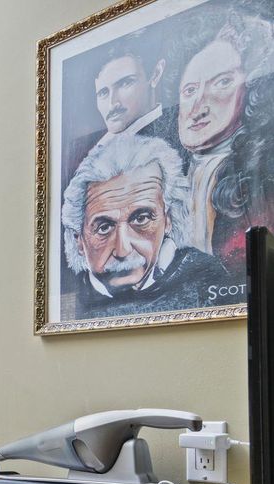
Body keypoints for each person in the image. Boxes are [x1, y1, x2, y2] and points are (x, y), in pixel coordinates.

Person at [61, 134, 232, 319]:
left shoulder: (204, 276)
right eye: (104, 228)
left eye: (141, 219)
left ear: (168, 219)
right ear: (79, 240)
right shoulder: (64, 301)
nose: (123, 250)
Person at [177, 12, 274, 267]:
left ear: (250, 89)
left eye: (222, 82)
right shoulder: (169, 180)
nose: (198, 107)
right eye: (190, 90)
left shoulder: (261, 180)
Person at [63, 35, 179, 188]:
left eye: (125, 83)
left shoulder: (178, 135)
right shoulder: (91, 146)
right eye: (103, 92)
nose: (112, 103)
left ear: (156, 74)